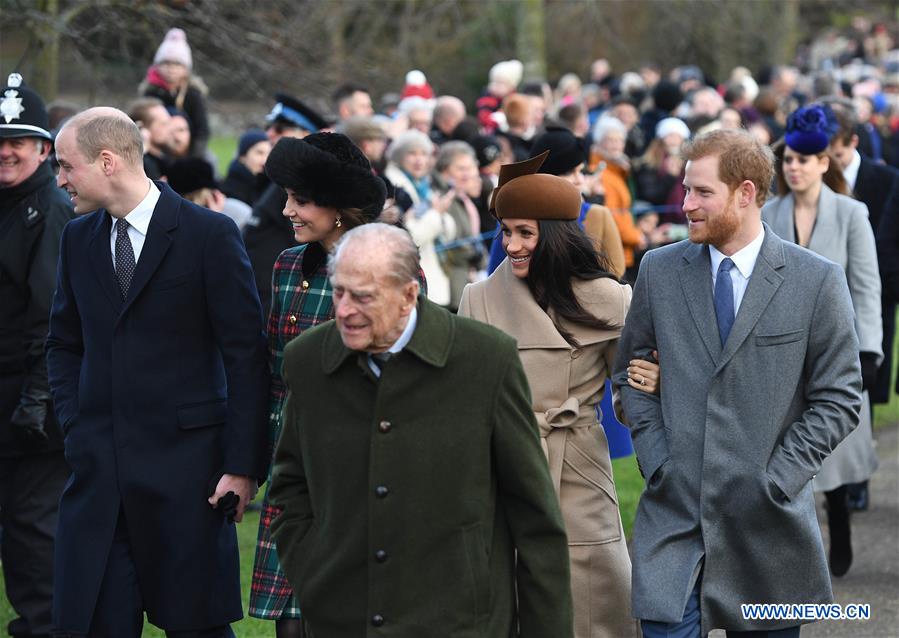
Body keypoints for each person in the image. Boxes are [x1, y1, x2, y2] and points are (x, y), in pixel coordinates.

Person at [613, 128, 862, 637]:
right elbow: (629, 374)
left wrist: (779, 478)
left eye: (702, 192)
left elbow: (839, 397)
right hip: (675, 519)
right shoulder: (658, 271)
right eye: (686, 189)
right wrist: (657, 461)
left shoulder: (816, 280)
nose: (686, 204)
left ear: (745, 193)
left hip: (768, 526)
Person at [268, 222, 573, 637]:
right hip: (342, 622)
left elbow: (535, 517)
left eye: (363, 297)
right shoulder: (307, 360)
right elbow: (289, 487)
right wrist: (314, 574)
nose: (344, 310)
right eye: (339, 292)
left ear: (409, 295)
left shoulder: (486, 360)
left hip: (459, 624)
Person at [47, 107, 268, 637]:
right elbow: (64, 344)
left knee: (197, 627)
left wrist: (242, 465)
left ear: (107, 161)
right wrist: (77, 425)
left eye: (66, 166)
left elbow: (245, 356)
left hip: (189, 478)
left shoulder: (209, 234)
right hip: (100, 477)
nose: (59, 179)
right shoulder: (77, 238)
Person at [458, 153, 641, 638]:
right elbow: (465, 399)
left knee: (597, 595)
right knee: (513, 596)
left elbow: (629, 393)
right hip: (506, 467)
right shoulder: (478, 299)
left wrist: (650, 390)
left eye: (526, 233)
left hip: (579, 463)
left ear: (557, 235)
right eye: (506, 232)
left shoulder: (611, 299)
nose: (511, 245)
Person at [248, 132, 408, 638]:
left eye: (300, 199)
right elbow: (273, 372)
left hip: (357, 469)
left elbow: (402, 383)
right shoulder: (287, 265)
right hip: (292, 468)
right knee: (290, 624)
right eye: (286, 197)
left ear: (338, 208)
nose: (287, 210)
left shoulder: (393, 272)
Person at [762, 104, 881, 578]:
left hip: (836, 347)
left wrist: (869, 349)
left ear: (823, 162)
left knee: (835, 445)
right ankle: (794, 544)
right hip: (782, 349)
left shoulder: (851, 213)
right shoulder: (768, 214)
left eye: (804, 160)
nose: (794, 168)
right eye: (788, 160)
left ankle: (841, 519)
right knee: (787, 444)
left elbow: (866, 285)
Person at [0, 72, 73, 638]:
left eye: (18, 141)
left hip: (31, 400)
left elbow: (53, 314)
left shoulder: (49, 210)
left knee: (32, 530)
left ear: (44, 149)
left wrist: (39, 398)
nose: (6, 151)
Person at [486, 127, 626, 278]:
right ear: (546, 178)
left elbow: (615, 275)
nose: (579, 180)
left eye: (580, 171)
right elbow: (496, 277)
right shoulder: (514, 219)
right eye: (569, 172)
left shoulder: (598, 215)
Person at [244, 95, 328, 313]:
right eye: (269, 127)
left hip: (280, 302)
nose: (270, 134)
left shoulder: (302, 183)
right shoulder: (273, 178)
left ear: (307, 135)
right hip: (259, 296)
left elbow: (307, 249)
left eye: (280, 128)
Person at [383, 129, 457, 307]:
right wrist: (436, 213)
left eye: (424, 154)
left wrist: (438, 214)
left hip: (432, 278)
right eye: (412, 153)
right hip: (410, 279)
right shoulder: (393, 187)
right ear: (399, 156)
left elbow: (449, 234)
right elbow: (410, 238)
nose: (419, 160)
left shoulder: (424, 185)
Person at [140, 27, 210, 158]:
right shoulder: (150, 93)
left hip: (188, 151)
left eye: (177, 64)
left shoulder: (193, 95)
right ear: (157, 66)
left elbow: (202, 130)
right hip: (157, 151)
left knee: (209, 161)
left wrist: (194, 157)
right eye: (166, 63)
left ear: (186, 69)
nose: (171, 68)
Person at [222, 128, 272, 207]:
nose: (265, 160)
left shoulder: (266, 185)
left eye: (268, 154)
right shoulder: (230, 190)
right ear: (243, 156)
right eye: (259, 153)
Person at [126, 97, 173, 180]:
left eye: (169, 123)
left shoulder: (168, 158)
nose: (170, 129)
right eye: (164, 124)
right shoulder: (139, 165)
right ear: (142, 128)